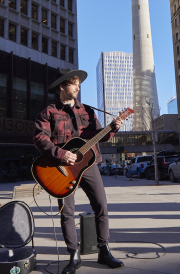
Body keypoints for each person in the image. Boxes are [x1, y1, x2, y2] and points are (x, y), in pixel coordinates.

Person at [33, 69, 124, 274]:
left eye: (79, 84)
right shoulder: (48, 112)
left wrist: (113, 128)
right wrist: (60, 154)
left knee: (101, 206)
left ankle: (104, 250)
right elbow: (40, 139)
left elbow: (101, 136)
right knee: (67, 213)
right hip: (61, 169)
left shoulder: (88, 111)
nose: (78, 87)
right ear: (62, 87)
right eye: (74, 83)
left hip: (88, 165)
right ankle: (74, 255)